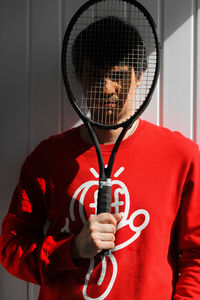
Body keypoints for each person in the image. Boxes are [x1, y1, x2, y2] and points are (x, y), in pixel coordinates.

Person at [0, 16, 200, 300]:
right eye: (95, 75)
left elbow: (196, 256)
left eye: (118, 75)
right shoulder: (47, 159)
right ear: (79, 78)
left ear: (140, 75)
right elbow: (11, 249)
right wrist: (71, 249)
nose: (106, 89)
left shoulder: (182, 157)